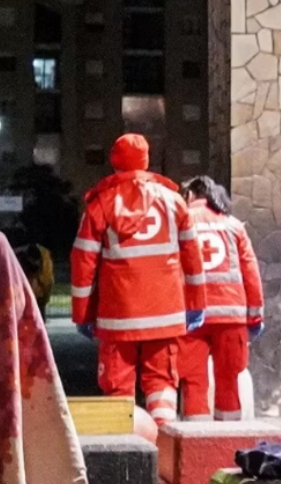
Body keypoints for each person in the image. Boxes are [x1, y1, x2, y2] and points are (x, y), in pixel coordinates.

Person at [71, 133, 208, 426]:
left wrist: (82, 312)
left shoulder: (100, 204)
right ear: (147, 160)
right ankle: (163, 447)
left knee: (118, 387)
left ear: (114, 161)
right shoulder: (174, 202)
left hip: (117, 316)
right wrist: (196, 304)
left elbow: (83, 261)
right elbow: (193, 258)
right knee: (162, 385)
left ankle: (126, 455)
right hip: (165, 313)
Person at [176, 176, 264, 421]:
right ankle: (230, 440)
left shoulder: (180, 223)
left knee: (193, 381)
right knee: (229, 381)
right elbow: (251, 273)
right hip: (231, 314)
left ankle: (196, 441)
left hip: (192, 316)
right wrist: (255, 315)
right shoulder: (234, 225)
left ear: (191, 196)